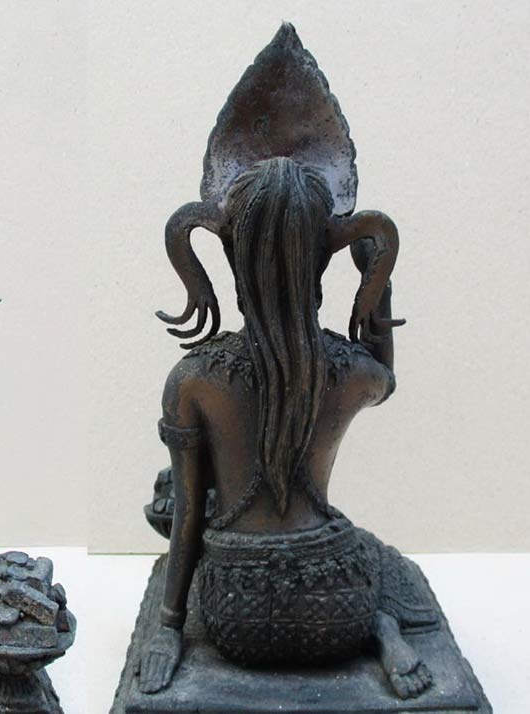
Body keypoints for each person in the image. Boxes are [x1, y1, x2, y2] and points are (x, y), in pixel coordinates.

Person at [138, 25, 436, 701]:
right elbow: (387, 378)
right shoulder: (350, 371)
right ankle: (383, 629)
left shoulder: (195, 380)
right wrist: (375, 288)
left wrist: (169, 628)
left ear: (230, 258)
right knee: (385, 564)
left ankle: (381, 628)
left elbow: (187, 523)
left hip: (235, 611)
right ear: (323, 258)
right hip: (338, 597)